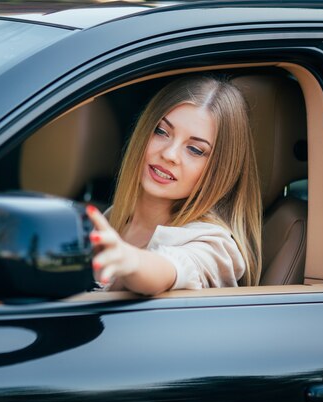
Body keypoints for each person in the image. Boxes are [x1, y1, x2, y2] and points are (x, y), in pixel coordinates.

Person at [86, 74, 262, 294]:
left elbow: (172, 268)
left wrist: (130, 260)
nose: (169, 154)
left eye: (195, 150)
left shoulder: (214, 245)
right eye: (161, 131)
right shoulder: (113, 218)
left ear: (220, 169)